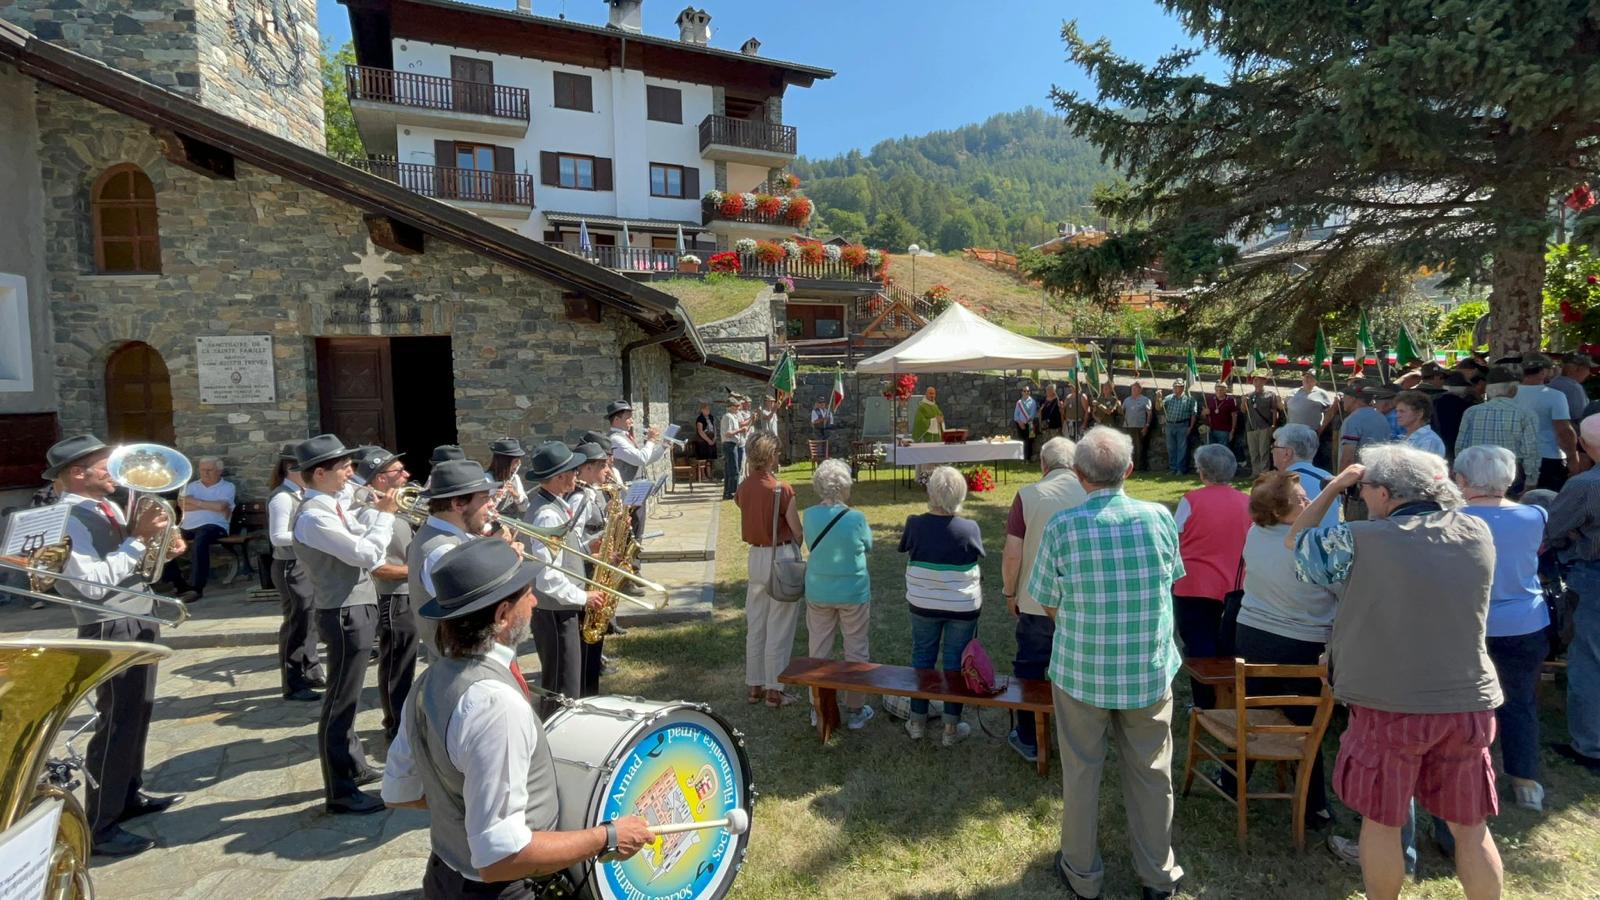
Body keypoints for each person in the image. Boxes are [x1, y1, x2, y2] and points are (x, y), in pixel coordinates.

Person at [1288, 444, 1505, 900]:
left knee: (1382, 821)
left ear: (1384, 493)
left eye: (1364, 490)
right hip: (1467, 701)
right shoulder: (1477, 531)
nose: (1362, 497)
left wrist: (1332, 488)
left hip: (1387, 703)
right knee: (1471, 826)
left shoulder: (1360, 538)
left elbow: (1297, 543)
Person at [381, 537, 654, 899]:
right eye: (528, 594)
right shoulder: (495, 706)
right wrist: (609, 836)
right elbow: (501, 858)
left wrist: (468, 804)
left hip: (443, 878)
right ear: (502, 615)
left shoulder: (428, 682)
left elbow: (399, 791)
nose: (535, 601)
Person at [1027, 428, 1185, 899]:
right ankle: (1158, 875)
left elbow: (1047, 600)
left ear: (1079, 475)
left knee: (1081, 773)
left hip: (1082, 669)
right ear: (1129, 470)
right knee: (1152, 773)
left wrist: (1083, 626)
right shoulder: (1159, 518)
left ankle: (1082, 873)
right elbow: (1169, 582)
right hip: (1146, 668)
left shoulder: (1063, 527)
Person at [46, 434, 186, 856]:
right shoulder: (66, 517)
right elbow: (91, 585)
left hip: (138, 614)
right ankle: (100, 824)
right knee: (117, 720)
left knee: (138, 712)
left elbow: (128, 565)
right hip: (109, 624)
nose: (117, 472)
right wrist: (139, 538)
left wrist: (163, 548)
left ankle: (127, 796)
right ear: (77, 473)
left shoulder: (106, 507)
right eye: (105, 466)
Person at [291, 434, 398, 815]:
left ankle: (353, 764)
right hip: (343, 611)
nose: (351, 473)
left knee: (349, 698)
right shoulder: (314, 516)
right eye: (344, 467)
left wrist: (374, 509)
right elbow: (366, 553)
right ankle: (339, 790)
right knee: (340, 700)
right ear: (320, 474)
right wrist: (386, 514)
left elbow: (361, 536)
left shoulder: (333, 506)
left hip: (355, 605)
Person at [1228, 471, 1340, 829]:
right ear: (1278, 511)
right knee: (1307, 726)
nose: (1309, 503)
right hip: (1302, 642)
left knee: (1250, 710)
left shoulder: (1254, 534)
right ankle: (1313, 805)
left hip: (1252, 634)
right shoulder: (1314, 547)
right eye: (1301, 499)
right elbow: (1342, 590)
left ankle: (1232, 779)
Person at [1452, 446, 1551, 811]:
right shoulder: (1535, 515)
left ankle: (1467, 772)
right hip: (1525, 621)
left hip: (1468, 623)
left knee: (1462, 703)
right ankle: (1526, 781)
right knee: (1520, 700)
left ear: (1462, 479)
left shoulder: (1451, 518)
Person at [1000, 436, 1085, 764]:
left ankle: (1028, 736)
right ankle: (1078, 738)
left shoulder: (1028, 495)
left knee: (1031, 668)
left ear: (1043, 465)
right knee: (1078, 670)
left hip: (1036, 601)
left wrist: (1010, 591)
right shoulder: (1091, 493)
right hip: (1081, 603)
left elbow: (1013, 553)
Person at [899, 465, 986, 746]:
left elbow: (905, 547)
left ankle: (916, 722)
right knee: (954, 663)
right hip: (962, 606)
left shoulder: (915, 524)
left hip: (923, 603)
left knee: (922, 657)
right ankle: (951, 727)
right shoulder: (969, 528)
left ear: (931, 493)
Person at [525, 442, 607, 716]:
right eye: (573, 470)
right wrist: (584, 597)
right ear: (560, 476)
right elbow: (547, 577)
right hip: (555, 612)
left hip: (559, 609)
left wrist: (588, 550)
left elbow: (560, 555)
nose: (577, 475)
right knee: (563, 688)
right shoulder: (547, 514)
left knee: (567, 683)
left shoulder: (553, 506)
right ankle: (554, 734)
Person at [1171, 443, 1251, 706]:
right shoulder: (1247, 502)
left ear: (1202, 471)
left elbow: (1174, 537)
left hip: (1194, 584)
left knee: (1198, 646)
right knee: (1229, 645)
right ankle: (1227, 699)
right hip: (1236, 583)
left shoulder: (1191, 500)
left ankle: (1204, 703)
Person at [803, 459, 875, 731]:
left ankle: (818, 706)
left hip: (819, 589)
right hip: (853, 591)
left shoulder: (809, 515)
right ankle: (856, 708)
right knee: (856, 647)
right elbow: (869, 545)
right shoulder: (856, 518)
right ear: (845, 486)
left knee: (818, 649)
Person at [1547, 415, 1600, 770]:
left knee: (1590, 660)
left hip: (1593, 576)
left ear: (1582, 444)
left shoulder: (1585, 485)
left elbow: (1553, 530)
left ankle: (1591, 746)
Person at [356, 447, 419, 744]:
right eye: (399, 471)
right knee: (397, 666)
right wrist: (420, 569)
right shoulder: (372, 515)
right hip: (392, 598)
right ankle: (396, 726)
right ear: (380, 478)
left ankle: (402, 722)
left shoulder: (394, 508)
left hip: (406, 594)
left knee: (406, 663)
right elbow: (378, 568)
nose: (407, 475)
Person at [735, 433, 803, 708]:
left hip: (756, 556)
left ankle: (755, 685)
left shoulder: (743, 487)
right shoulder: (781, 489)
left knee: (756, 623)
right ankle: (775, 689)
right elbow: (797, 530)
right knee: (780, 625)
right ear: (770, 455)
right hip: (781, 554)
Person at [410, 460, 501, 655]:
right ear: (458, 504)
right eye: (485, 498)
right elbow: (477, 612)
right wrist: (503, 557)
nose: (492, 505)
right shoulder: (442, 551)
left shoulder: (447, 535)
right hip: (465, 658)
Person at [268, 441, 325, 702]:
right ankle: (293, 682)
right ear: (292, 469)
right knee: (296, 624)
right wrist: (312, 536)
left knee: (309, 620)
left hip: (304, 564)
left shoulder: (301, 494)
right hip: (290, 566)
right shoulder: (282, 497)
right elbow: (277, 536)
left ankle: (311, 669)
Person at [1456, 366, 1541, 492]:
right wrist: (1531, 480)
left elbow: (1461, 447)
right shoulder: (1526, 414)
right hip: (1512, 473)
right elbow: (1531, 450)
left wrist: (1461, 475)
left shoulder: (1471, 412)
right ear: (1513, 389)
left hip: (1476, 472)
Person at [163, 455, 234, 602]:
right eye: (202, 470)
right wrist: (209, 505)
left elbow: (221, 506)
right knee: (164, 540)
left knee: (201, 539)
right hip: (187, 527)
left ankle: (196, 588)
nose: (205, 473)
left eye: (209, 470)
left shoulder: (227, 487)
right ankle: (179, 584)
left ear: (219, 471)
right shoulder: (191, 486)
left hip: (215, 526)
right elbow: (182, 505)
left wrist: (194, 502)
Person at [1513, 352, 1578, 491]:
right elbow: (1564, 431)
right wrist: (1573, 457)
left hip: (1514, 458)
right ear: (1543, 371)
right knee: (1548, 499)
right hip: (1548, 458)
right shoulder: (1555, 396)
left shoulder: (1509, 394)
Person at [1338, 388, 1394, 520]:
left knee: (1355, 524)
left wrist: (1340, 485)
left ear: (1353, 399)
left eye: (1345, 396)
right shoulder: (1381, 418)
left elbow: (1348, 458)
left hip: (1359, 485)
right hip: (1380, 480)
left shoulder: (1353, 420)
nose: (1343, 400)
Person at [1271, 424, 1339, 529]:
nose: (1272, 451)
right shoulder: (1330, 479)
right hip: (1330, 537)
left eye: (1274, 447)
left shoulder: (1279, 484)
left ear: (1287, 453)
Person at [1287, 370, 1338, 470]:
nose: (1307, 379)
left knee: (1309, 459)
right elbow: (1283, 407)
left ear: (1316, 380)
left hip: (1310, 432)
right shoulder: (1293, 392)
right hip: (1291, 432)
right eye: (1305, 376)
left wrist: (1321, 428)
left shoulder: (1321, 394)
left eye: (1310, 377)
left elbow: (1329, 413)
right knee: (1291, 457)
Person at [1244, 371, 1284, 475]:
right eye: (1254, 379)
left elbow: (1274, 411)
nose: (1255, 381)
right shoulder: (1249, 395)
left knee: (1264, 451)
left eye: (1258, 379)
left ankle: (1264, 473)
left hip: (1265, 426)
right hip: (1251, 427)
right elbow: (1243, 410)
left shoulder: (1270, 395)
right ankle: (1255, 472)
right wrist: (1243, 401)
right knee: (1253, 451)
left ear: (1264, 381)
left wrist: (1273, 425)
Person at [1433, 373, 1477, 459]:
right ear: (1463, 388)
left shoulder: (1435, 402)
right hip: (1455, 444)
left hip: (1437, 442)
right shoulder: (1465, 405)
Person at [1160, 379, 1200, 475]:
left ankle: (1180, 469)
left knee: (1182, 448)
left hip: (1183, 425)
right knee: (1171, 448)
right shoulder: (1168, 398)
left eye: (1178, 386)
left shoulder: (1190, 399)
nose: (1176, 388)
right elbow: (1159, 407)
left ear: (1183, 388)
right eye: (1175, 386)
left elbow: (1193, 414)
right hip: (1169, 425)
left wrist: (1190, 427)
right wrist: (1158, 398)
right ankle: (1173, 468)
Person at [1550, 352, 1593, 431]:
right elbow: (1580, 419)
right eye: (1588, 369)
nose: (1589, 373)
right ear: (1578, 369)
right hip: (1567, 434)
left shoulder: (1552, 383)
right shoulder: (1574, 388)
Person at [1396, 389, 1446, 457]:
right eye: (1397, 411)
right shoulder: (1404, 437)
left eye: (1402, 411)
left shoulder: (1429, 440)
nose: (1397, 415)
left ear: (1419, 414)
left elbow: (1424, 464)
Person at [486, 439, 528, 520]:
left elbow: (524, 508)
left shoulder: (515, 478)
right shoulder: (487, 480)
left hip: (512, 523)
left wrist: (516, 495)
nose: (519, 464)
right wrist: (494, 499)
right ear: (504, 462)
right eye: (516, 461)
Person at [1121, 381, 1155, 471]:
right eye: (1132, 388)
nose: (1133, 390)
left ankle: (1140, 467)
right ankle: (1129, 467)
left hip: (1140, 427)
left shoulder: (1145, 400)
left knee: (1139, 448)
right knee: (1129, 447)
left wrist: (1146, 426)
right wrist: (1118, 406)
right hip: (1128, 426)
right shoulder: (1127, 400)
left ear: (1140, 390)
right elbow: (1121, 411)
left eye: (1135, 388)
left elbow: (1149, 413)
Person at [719, 396, 746, 499]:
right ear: (730, 407)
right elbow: (728, 433)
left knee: (730, 469)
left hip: (733, 444)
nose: (738, 408)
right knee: (733, 469)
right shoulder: (728, 417)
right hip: (729, 444)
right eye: (736, 406)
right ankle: (732, 492)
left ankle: (728, 492)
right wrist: (740, 430)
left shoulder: (733, 417)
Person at [1204, 382, 1238, 447]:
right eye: (1217, 390)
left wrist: (1232, 431)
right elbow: (1203, 416)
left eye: (1221, 390)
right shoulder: (1211, 399)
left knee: (1222, 451)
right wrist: (1204, 413)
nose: (1219, 392)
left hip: (1224, 431)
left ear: (1225, 390)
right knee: (1211, 450)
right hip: (1211, 430)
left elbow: (1234, 416)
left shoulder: (1231, 400)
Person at [1014, 383, 1040, 461]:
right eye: (1024, 391)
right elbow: (1016, 415)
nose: (1026, 392)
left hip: (1030, 424)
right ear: (1022, 392)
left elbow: (1032, 414)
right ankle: (1022, 457)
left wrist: (1025, 423)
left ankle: (1028, 458)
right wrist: (1020, 423)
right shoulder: (1019, 402)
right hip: (1020, 424)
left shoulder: (1033, 402)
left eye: (1028, 391)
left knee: (1029, 441)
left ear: (1029, 392)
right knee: (1021, 441)